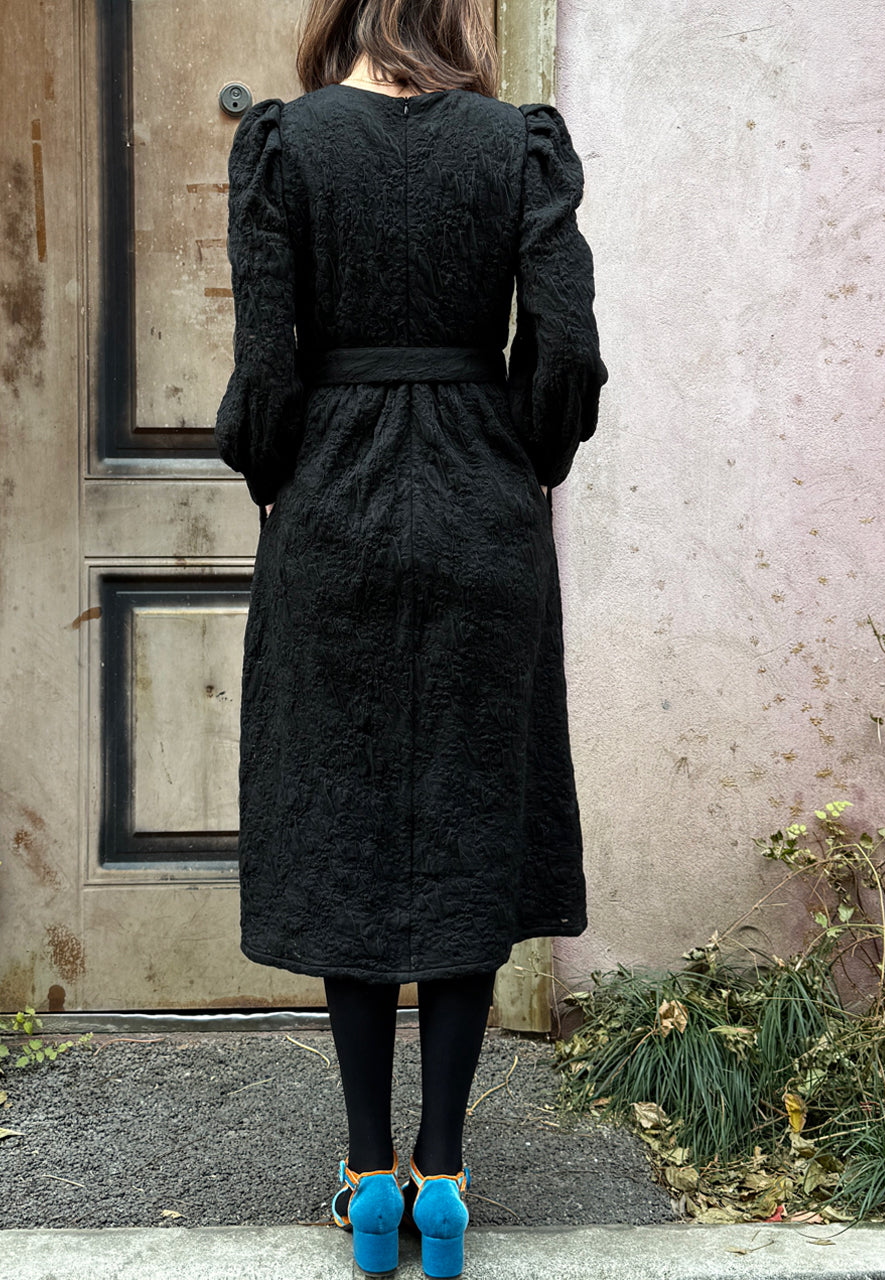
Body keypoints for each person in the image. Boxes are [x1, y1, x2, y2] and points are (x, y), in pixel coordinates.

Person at [213, 0, 607, 1274]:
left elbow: (264, 364)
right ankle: (445, 1168)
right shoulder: (519, 143)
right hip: (483, 503)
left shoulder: (286, 144)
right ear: (458, 20)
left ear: (348, 15)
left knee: (346, 825)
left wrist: (276, 468)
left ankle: (367, 1169)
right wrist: (522, 456)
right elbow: (567, 349)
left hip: (331, 503)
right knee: (465, 822)